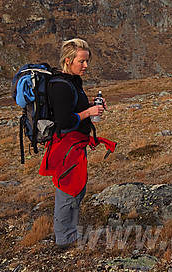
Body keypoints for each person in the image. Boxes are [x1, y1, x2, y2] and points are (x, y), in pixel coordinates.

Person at [39, 38, 116, 248]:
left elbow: (74, 110)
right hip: (66, 146)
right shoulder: (61, 86)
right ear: (68, 60)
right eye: (82, 61)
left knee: (77, 189)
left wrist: (92, 106)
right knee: (68, 189)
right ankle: (65, 240)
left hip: (76, 145)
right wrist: (89, 112)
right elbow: (65, 122)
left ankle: (69, 234)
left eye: (86, 61)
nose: (86, 66)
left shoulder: (72, 82)